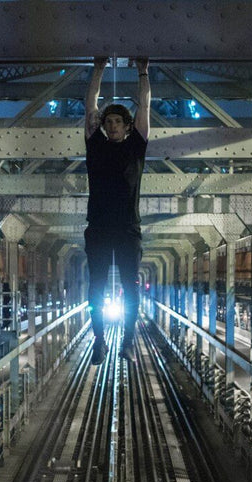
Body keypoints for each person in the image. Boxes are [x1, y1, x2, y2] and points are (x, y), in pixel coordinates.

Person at [84, 57, 150, 364]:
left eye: (117, 122)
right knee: (95, 288)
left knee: (131, 288)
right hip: (99, 227)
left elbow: (144, 107)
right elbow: (90, 106)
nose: (112, 125)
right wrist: (98, 70)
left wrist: (143, 71)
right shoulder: (95, 145)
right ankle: (99, 341)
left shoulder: (136, 147)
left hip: (126, 228)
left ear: (126, 126)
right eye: (108, 121)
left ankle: (127, 342)